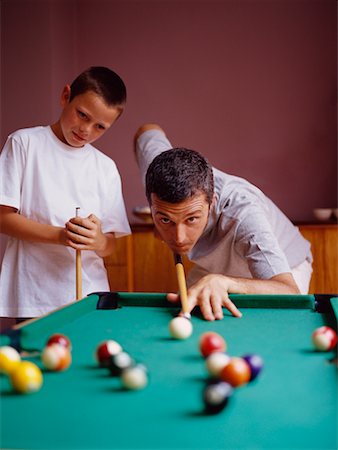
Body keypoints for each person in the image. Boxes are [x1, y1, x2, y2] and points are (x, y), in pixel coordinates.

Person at [134, 123, 313, 321]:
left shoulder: (243, 214)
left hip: (285, 267)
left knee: (265, 324)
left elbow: (289, 290)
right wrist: (160, 221)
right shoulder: (157, 171)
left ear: (212, 204)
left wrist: (225, 282)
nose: (179, 237)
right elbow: (147, 130)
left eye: (191, 218)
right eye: (166, 218)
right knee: (186, 313)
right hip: (215, 267)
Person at [0, 66, 131, 321]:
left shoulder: (105, 167)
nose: (86, 130)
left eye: (100, 127)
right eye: (82, 115)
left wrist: (98, 241)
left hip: (89, 296)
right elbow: (2, 218)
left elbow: (112, 243)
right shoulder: (24, 143)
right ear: (65, 96)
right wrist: (61, 236)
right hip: (34, 296)